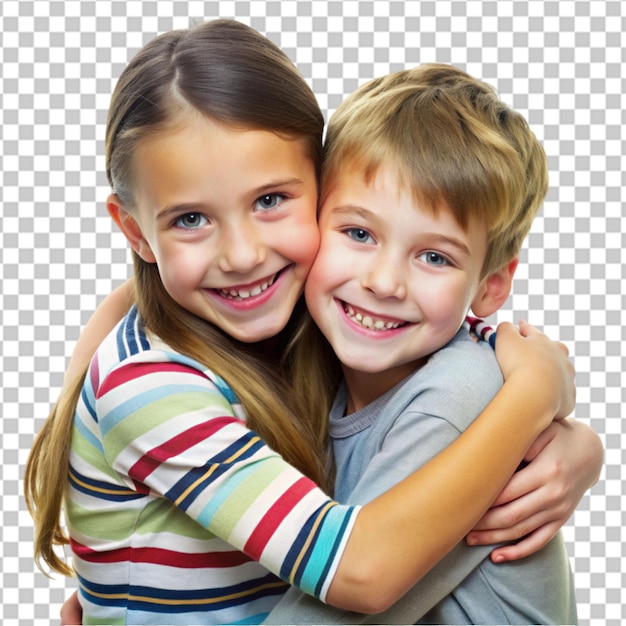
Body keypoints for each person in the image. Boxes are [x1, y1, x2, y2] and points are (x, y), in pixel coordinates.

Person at [22, 20, 588, 626]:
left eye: (270, 201)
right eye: (190, 218)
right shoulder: (157, 381)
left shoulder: (320, 333)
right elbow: (360, 571)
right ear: (136, 232)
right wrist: (535, 396)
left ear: (319, 190)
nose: (242, 255)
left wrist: (570, 434)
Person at [266, 64, 584, 624]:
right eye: (359, 233)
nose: (384, 282)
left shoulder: (459, 392)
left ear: (489, 287)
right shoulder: (316, 364)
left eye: (434, 257)